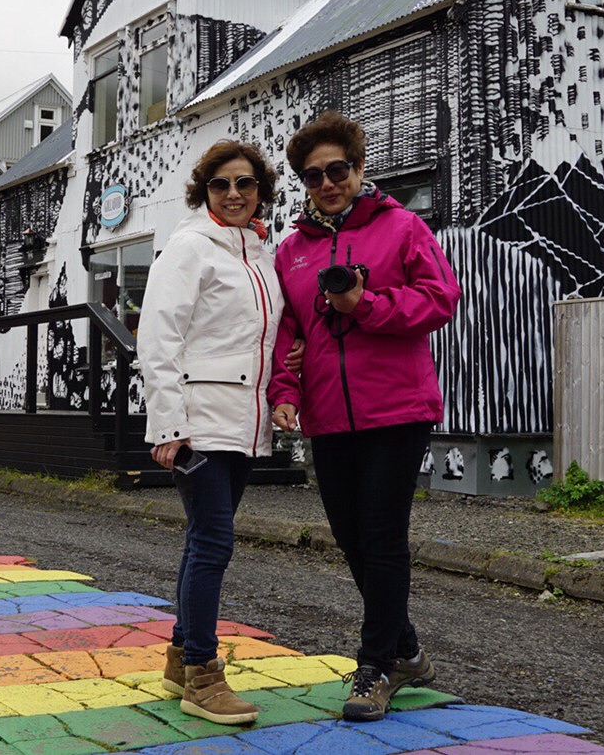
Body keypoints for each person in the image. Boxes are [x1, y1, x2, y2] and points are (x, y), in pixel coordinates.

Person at [268, 111, 461, 723]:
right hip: (328, 417)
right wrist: (285, 392)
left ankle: (374, 665)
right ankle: (404, 649)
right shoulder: (291, 253)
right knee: (352, 540)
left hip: (396, 410)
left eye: (338, 169)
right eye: (314, 174)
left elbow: (441, 299)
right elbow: (289, 335)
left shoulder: (403, 228)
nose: (328, 182)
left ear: (358, 167)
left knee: (380, 537)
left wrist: (363, 303)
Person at [140, 140, 291, 726]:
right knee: (213, 542)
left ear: (261, 191)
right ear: (204, 191)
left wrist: (279, 399)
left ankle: (181, 655)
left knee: (205, 539)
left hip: (244, 423)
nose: (233, 194)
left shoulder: (259, 255)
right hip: (199, 423)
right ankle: (202, 673)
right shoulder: (188, 248)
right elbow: (158, 337)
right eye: (220, 184)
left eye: (245, 183)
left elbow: (268, 341)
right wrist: (169, 425)